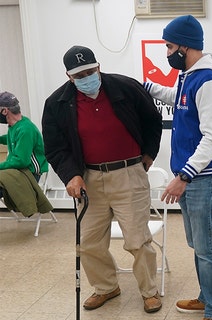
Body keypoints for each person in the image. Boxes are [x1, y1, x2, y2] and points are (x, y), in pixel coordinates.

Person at [41, 45, 163, 313]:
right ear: (68, 76)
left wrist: (149, 154)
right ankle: (106, 287)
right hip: (88, 179)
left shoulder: (126, 88)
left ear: (98, 67)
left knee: (137, 239)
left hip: (128, 174)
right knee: (88, 242)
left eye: (90, 71)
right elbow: (55, 147)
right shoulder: (56, 103)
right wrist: (71, 175)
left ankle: (150, 291)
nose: (86, 77)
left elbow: (153, 120)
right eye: (79, 75)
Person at [142, 15, 212, 320]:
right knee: (199, 244)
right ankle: (207, 298)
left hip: (203, 178)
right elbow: (178, 99)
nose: (167, 53)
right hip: (193, 177)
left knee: (207, 247)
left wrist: (183, 177)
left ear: (185, 45)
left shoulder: (209, 81)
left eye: (169, 46)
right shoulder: (190, 76)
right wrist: (146, 87)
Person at [0, 91, 48, 182]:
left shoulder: (25, 129)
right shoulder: (17, 125)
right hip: (18, 170)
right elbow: (14, 138)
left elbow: (21, 161)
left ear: (5, 111)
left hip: (29, 173)